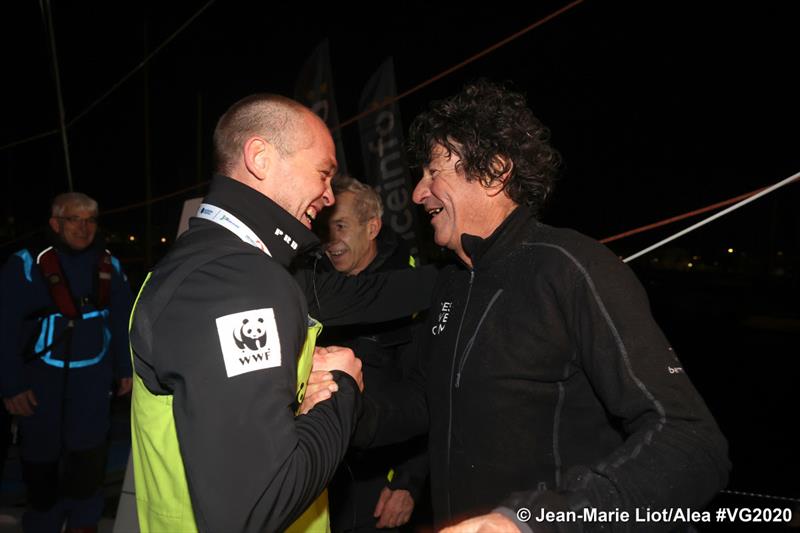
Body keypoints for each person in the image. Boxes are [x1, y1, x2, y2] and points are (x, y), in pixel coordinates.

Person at [355, 80, 730, 532]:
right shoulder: (452, 285)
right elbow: (423, 401)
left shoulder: (573, 268)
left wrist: (531, 522)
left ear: (494, 172)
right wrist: (341, 406)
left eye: (433, 172)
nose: (418, 193)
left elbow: (691, 442)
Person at [128, 93, 436, 533]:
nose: (329, 197)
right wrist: (340, 389)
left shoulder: (200, 261)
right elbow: (257, 505)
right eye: (323, 174)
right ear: (260, 157)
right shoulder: (238, 281)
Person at [0, 192, 133, 533]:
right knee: (41, 467)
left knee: (89, 462)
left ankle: (84, 524)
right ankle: (42, 524)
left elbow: (121, 322)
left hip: (92, 384)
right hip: (38, 386)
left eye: (91, 220)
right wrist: (11, 384)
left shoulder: (110, 266)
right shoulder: (25, 265)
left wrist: (125, 369)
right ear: (55, 223)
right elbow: (4, 327)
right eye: (75, 219)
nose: (84, 227)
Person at [318, 176, 428, 532]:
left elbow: (429, 392)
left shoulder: (411, 294)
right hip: (323, 479)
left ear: (373, 227)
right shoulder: (317, 286)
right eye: (326, 229)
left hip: (381, 485)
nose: (331, 241)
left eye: (341, 227)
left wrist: (408, 482)